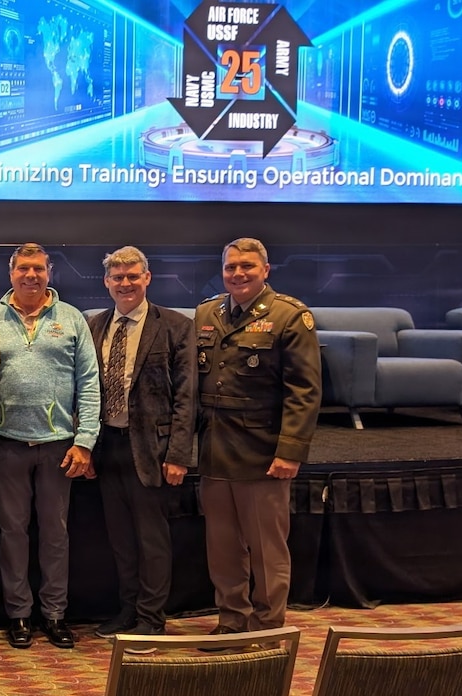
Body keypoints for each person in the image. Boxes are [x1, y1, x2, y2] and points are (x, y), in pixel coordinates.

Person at [194, 237, 321, 639]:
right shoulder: (206, 313)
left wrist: (290, 451)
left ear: (266, 270)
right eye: (231, 267)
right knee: (223, 548)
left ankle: (267, 628)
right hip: (214, 451)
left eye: (247, 266)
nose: (238, 274)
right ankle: (231, 622)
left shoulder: (289, 316)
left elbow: (304, 391)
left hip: (263, 454)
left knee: (267, 551)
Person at [0, 243, 100, 650]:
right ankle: (19, 615)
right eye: (23, 269)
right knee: (12, 533)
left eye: (38, 269)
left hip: (58, 447)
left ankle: (54, 614)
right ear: (10, 273)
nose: (31, 276)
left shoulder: (71, 319)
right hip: (7, 446)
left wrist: (84, 443)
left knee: (55, 534)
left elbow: (89, 383)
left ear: (50, 273)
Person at [87, 246, 196, 650]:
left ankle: (152, 618)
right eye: (118, 277)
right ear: (107, 282)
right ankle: (127, 610)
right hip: (107, 448)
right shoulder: (96, 325)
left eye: (133, 276)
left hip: (153, 451)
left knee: (152, 540)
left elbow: (187, 396)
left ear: (147, 278)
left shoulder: (174, 325)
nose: (126, 283)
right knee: (120, 539)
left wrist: (178, 454)